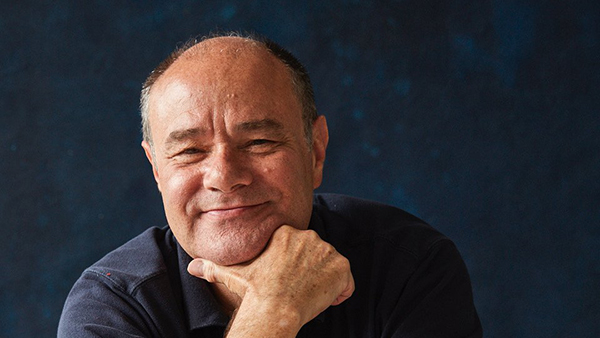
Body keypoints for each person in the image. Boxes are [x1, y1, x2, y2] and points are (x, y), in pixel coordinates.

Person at [58, 33, 482, 337]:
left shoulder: (410, 266)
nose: (224, 176)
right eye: (189, 152)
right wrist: (272, 311)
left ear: (315, 152)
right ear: (156, 170)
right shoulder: (112, 306)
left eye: (259, 142)